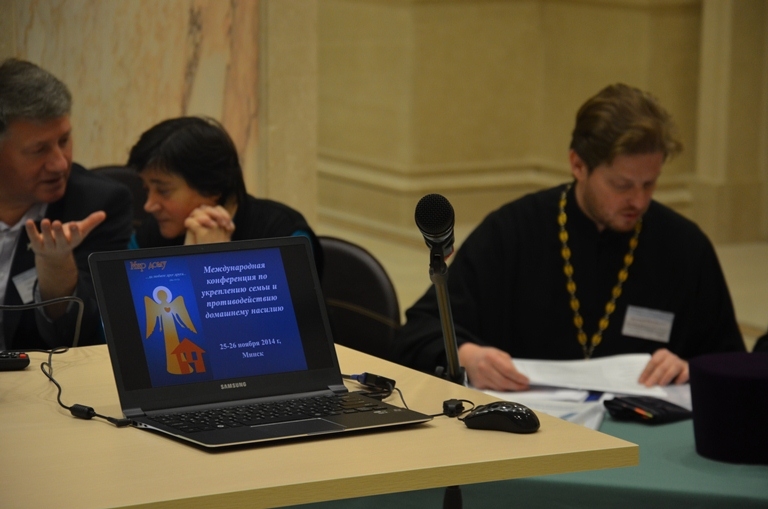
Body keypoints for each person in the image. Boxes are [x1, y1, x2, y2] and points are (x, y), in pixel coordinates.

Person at [393, 83, 745, 391]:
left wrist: (691, 369)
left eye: (649, 184)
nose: (639, 201)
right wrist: (468, 356)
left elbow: (732, 363)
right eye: (621, 185)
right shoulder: (514, 231)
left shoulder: (685, 247)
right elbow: (419, 331)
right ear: (578, 165)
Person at [0, 58, 133, 350]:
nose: (60, 164)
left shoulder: (97, 206)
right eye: (39, 150)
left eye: (64, 140)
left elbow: (79, 337)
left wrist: (56, 266)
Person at [126, 116, 323, 271]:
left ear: (211, 188)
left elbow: (282, 312)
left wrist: (218, 262)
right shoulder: (152, 235)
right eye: (147, 189)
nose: (149, 205)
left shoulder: (284, 236)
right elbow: (123, 306)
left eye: (163, 191)